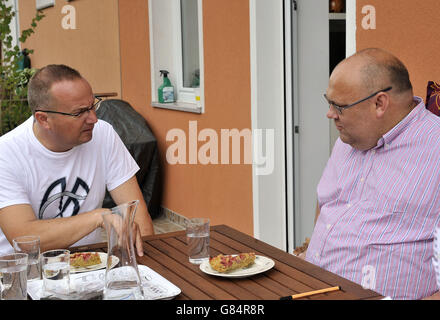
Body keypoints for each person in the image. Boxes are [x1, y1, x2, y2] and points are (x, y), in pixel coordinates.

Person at [304, 48, 440, 300]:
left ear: (379, 103)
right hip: (310, 286)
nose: (330, 114)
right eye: (329, 101)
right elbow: (326, 203)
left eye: (339, 106)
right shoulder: (348, 138)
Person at [0, 64, 154, 256]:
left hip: (87, 265)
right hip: (22, 275)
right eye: (79, 112)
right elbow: (24, 239)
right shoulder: (6, 153)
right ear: (43, 119)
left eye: (93, 106)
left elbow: (137, 214)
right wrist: (99, 216)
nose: (93, 119)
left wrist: (148, 266)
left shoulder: (103, 134)